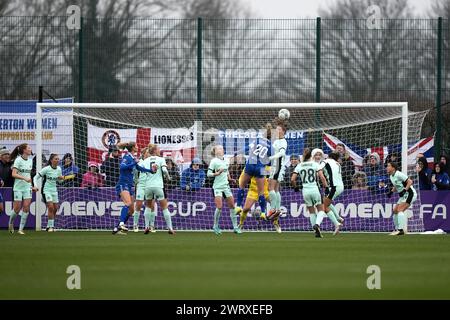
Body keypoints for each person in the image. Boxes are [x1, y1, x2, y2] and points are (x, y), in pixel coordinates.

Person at [112, 142, 152, 235]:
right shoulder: (127, 157)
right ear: (133, 148)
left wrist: (150, 171)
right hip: (123, 184)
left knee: (131, 210)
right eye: (136, 146)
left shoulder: (132, 157)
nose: (138, 147)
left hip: (130, 185)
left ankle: (117, 228)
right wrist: (134, 162)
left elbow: (139, 168)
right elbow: (122, 167)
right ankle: (122, 224)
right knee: (128, 203)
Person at [236, 123, 273, 220]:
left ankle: (238, 206)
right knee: (261, 193)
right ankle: (263, 212)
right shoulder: (271, 146)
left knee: (241, 185)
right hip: (259, 168)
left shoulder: (257, 140)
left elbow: (246, 148)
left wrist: (237, 153)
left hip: (250, 164)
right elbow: (270, 163)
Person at [291, 148, 328, 238]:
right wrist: (326, 187)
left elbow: (292, 179)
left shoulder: (299, 166)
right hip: (315, 189)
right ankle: (317, 224)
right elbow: (322, 177)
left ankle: (316, 231)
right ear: (311, 155)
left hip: (305, 190)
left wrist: (295, 187)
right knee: (321, 210)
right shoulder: (315, 164)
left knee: (311, 211)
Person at [207, 145, 241, 235]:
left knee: (232, 206)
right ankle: (215, 226)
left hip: (226, 186)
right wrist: (217, 173)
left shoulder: (226, 160)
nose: (221, 149)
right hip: (217, 187)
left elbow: (226, 171)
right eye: (218, 148)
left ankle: (235, 227)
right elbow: (208, 174)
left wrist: (230, 179)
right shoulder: (214, 161)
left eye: (222, 148)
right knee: (219, 207)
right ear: (215, 151)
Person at [141, 144, 175, 234]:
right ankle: (170, 228)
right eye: (158, 149)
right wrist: (168, 177)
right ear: (155, 151)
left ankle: (146, 226)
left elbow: (142, 173)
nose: (160, 150)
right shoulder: (161, 159)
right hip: (158, 186)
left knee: (148, 207)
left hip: (148, 186)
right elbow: (164, 170)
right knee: (164, 207)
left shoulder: (145, 160)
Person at [238, 168, 281, 233]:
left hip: (265, 191)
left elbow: (272, 174)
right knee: (246, 209)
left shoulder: (268, 166)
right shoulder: (250, 165)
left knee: (274, 206)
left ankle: (276, 223)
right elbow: (243, 177)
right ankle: (240, 225)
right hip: (254, 190)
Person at [9, 143, 38, 235]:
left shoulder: (30, 161)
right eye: (28, 148)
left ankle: (21, 229)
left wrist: (33, 185)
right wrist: (24, 178)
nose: (30, 149)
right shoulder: (18, 160)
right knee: (17, 209)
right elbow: (13, 174)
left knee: (26, 207)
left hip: (27, 187)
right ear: (24, 150)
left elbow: (29, 175)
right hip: (18, 187)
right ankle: (11, 223)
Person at [33, 154, 64, 232]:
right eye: (56, 159)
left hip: (54, 190)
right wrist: (35, 186)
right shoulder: (46, 169)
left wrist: (61, 179)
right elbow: (35, 177)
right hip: (46, 190)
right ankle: (51, 227)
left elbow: (60, 181)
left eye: (58, 159)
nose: (58, 160)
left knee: (56, 208)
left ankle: (49, 226)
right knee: (50, 207)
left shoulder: (59, 169)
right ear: (51, 160)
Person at [386, 161, 417, 235]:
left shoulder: (399, 174)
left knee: (400, 209)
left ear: (393, 168)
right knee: (395, 211)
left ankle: (400, 230)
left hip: (410, 193)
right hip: (403, 195)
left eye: (388, 166)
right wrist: (391, 192)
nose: (387, 167)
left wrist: (405, 190)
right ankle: (397, 229)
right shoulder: (391, 176)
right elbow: (396, 185)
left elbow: (410, 182)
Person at [319, 151, 345, 236]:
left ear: (328, 156)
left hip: (334, 187)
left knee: (324, 206)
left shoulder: (325, 161)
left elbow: (319, 170)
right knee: (326, 202)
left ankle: (337, 223)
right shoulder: (338, 164)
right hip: (340, 186)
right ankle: (338, 218)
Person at [267, 121, 288, 221]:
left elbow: (282, 153)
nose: (277, 131)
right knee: (276, 189)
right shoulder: (276, 140)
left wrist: (271, 158)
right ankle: (278, 209)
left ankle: (272, 209)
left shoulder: (283, 141)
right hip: (276, 166)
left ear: (283, 131)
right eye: (277, 129)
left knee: (270, 187)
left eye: (279, 129)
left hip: (277, 166)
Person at [133, 147, 150, 232]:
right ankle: (135, 225)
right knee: (138, 204)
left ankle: (147, 226)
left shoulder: (151, 161)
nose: (148, 153)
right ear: (143, 154)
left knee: (149, 205)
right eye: (147, 152)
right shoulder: (139, 162)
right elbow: (135, 173)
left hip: (150, 185)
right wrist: (136, 182)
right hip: (141, 185)